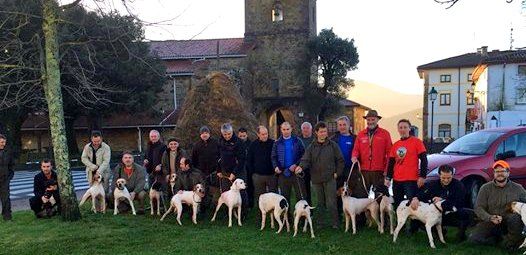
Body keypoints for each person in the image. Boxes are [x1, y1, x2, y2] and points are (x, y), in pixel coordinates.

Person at [469, 160, 526, 250]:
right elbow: (478, 207)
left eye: (502, 171)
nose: (500, 174)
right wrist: (489, 217)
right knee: (474, 239)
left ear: (508, 173)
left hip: (511, 221)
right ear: (494, 173)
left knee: (514, 218)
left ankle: (510, 241)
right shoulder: (485, 188)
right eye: (497, 171)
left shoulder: (518, 188)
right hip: (491, 220)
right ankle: (500, 239)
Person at [296, 122, 344, 229]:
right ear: (316, 133)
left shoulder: (333, 145)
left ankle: (335, 223)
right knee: (319, 202)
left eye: (325, 131)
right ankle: (320, 223)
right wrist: (300, 167)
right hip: (316, 179)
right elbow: (305, 159)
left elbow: (340, 160)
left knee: (331, 202)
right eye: (321, 132)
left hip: (330, 178)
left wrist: (337, 173)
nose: (323, 134)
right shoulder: (311, 147)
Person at [415, 165, 472, 241]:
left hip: (451, 211)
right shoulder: (433, 184)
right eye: (443, 178)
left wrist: (443, 199)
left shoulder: (458, 185)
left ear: (452, 175)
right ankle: (437, 232)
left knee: (465, 213)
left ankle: (461, 235)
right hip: (436, 212)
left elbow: (460, 201)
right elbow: (423, 195)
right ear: (439, 175)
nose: (446, 180)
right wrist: (416, 198)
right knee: (420, 216)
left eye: (449, 178)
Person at [385, 119, 427, 209]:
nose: (402, 129)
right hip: (397, 180)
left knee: (413, 205)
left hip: (411, 180)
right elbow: (391, 163)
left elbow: (424, 160)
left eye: (405, 127)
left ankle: (413, 223)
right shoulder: (395, 145)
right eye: (400, 127)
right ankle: (400, 223)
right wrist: (388, 178)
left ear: (409, 128)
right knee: (398, 205)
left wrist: (423, 176)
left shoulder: (417, 142)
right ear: (398, 129)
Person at [351, 110, 392, 192]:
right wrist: (354, 156)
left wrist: (387, 171)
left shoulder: (385, 134)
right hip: (364, 170)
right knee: (361, 196)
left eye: (373, 119)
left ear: (377, 120)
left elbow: (390, 154)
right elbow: (356, 149)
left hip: (379, 171)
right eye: (368, 120)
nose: (370, 122)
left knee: (379, 197)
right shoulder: (361, 134)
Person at [271, 122, 306, 204]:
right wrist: (276, 167)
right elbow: (273, 157)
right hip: (283, 173)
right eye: (284, 129)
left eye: (287, 129)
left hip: (296, 172)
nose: (286, 131)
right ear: (281, 130)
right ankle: (287, 216)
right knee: (284, 197)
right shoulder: (277, 143)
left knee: (300, 195)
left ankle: (301, 216)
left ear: (291, 129)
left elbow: (304, 155)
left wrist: (297, 165)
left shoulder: (297, 141)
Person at [191, 126, 219, 215]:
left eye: (206, 133)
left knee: (215, 190)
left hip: (214, 171)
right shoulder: (197, 145)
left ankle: (215, 209)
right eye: (203, 133)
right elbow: (194, 159)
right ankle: (202, 209)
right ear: (200, 135)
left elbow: (220, 155)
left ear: (209, 134)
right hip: (202, 172)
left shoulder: (216, 143)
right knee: (203, 190)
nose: (204, 135)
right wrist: (197, 170)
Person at [247, 126, 276, 202]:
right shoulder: (253, 145)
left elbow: (277, 157)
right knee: (260, 198)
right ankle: (260, 213)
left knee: (273, 197)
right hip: (258, 176)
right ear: (258, 134)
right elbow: (249, 160)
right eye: (263, 134)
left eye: (266, 134)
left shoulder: (273, 143)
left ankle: (273, 213)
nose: (265, 136)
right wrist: (253, 173)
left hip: (272, 175)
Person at [81, 130, 111, 195]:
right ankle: (95, 204)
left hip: (104, 171)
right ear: (91, 139)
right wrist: (92, 166)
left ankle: (106, 204)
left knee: (104, 190)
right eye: (95, 141)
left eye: (98, 141)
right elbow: (83, 158)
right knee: (93, 191)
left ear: (101, 139)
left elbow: (106, 161)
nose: (97, 143)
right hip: (91, 171)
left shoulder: (106, 147)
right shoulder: (87, 147)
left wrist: (98, 171)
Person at [298, 122, 314, 204]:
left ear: (311, 129)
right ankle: (308, 208)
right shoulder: (298, 140)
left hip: (314, 167)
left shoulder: (315, 139)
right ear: (301, 130)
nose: (306, 130)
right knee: (305, 189)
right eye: (304, 128)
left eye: (307, 128)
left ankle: (321, 209)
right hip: (303, 168)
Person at [237, 127, 253, 207]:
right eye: (241, 136)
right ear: (238, 135)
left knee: (249, 186)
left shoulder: (250, 144)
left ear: (247, 135)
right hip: (239, 169)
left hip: (249, 168)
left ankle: (250, 204)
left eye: (244, 136)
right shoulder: (236, 143)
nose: (242, 138)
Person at [0, 134, 14, 221]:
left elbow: (11, 165)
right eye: (1, 142)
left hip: (5, 179)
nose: (3, 144)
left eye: (4, 142)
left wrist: (10, 176)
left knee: (6, 198)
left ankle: (7, 217)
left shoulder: (8, 152)